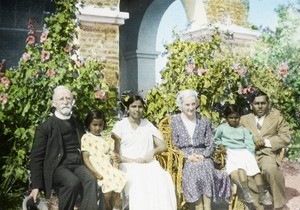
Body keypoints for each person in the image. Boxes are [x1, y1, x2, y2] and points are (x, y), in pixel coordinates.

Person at [29, 85, 100, 210]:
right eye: (61, 99)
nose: (66, 102)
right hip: (58, 167)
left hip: (78, 165)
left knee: (91, 180)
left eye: (68, 98)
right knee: (72, 182)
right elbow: (36, 157)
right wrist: (36, 186)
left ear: (72, 102)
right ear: (54, 103)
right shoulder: (45, 128)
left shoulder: (77, 123)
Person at [111, 94, 177, 210]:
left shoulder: (147, 124)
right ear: (128, 108)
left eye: (140, 107)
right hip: (127, 164)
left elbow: (164, 146)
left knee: (162, 177)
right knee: (139, 179)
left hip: (148, 163)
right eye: (133, 106)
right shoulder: (120, 126)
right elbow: (115, 153)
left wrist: (152, 151)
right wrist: (132, 160)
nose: (137, 110)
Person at [170, 89, 231, 210]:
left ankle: (207, 207)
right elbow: (174, 145)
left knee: (206, 167)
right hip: (186, 157)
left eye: (193, 104)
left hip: (203, 156)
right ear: (181, 105)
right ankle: (199, 207)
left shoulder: (204, 121)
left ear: (197, 104)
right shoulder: (175, 121)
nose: (191, 108)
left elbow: (210, 143)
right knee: (194, 168)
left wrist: (203, 155)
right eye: (187, 104)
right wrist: (188, 156)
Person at [231, 89, 291, 210]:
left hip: (267, 154)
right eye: (256, 103)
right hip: (247, 154)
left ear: (268, 104)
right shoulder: (243, 119)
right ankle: (259, 204)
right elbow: (234, 136)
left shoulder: (277, 119)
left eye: (263, 103)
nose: (259, 106)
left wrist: (266, 142)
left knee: (271, 169)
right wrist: (250, 142)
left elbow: (286, 137)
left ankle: (279, 205)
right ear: (251, 105)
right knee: (237, 174)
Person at [214, 104, 272, 205]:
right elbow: (216, 139)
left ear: (239, 118)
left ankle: (262, 194)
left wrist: (251, 154)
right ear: (226, 118)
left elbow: (249, 142)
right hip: (230, 152)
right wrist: (220, 146)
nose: (233, 120)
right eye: (230, 118)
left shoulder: (243, 130)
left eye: (236, 118)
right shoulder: (222, 128)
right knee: (241, 167)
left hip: (244, 151)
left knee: (256, 171)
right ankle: (246, 192)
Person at [81, 110, 127, 210]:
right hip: (97, 167)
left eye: (100, 125)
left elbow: (112, 153)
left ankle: (115, 207)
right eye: (94, 125)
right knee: (108, 185)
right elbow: (85, 158)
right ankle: (106, 206)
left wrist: (113, 155)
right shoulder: (86, 137)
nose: (98, 128)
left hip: (106, 166)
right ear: (89, 124)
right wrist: (94, 172)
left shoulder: (105, 139)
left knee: (118, 179)